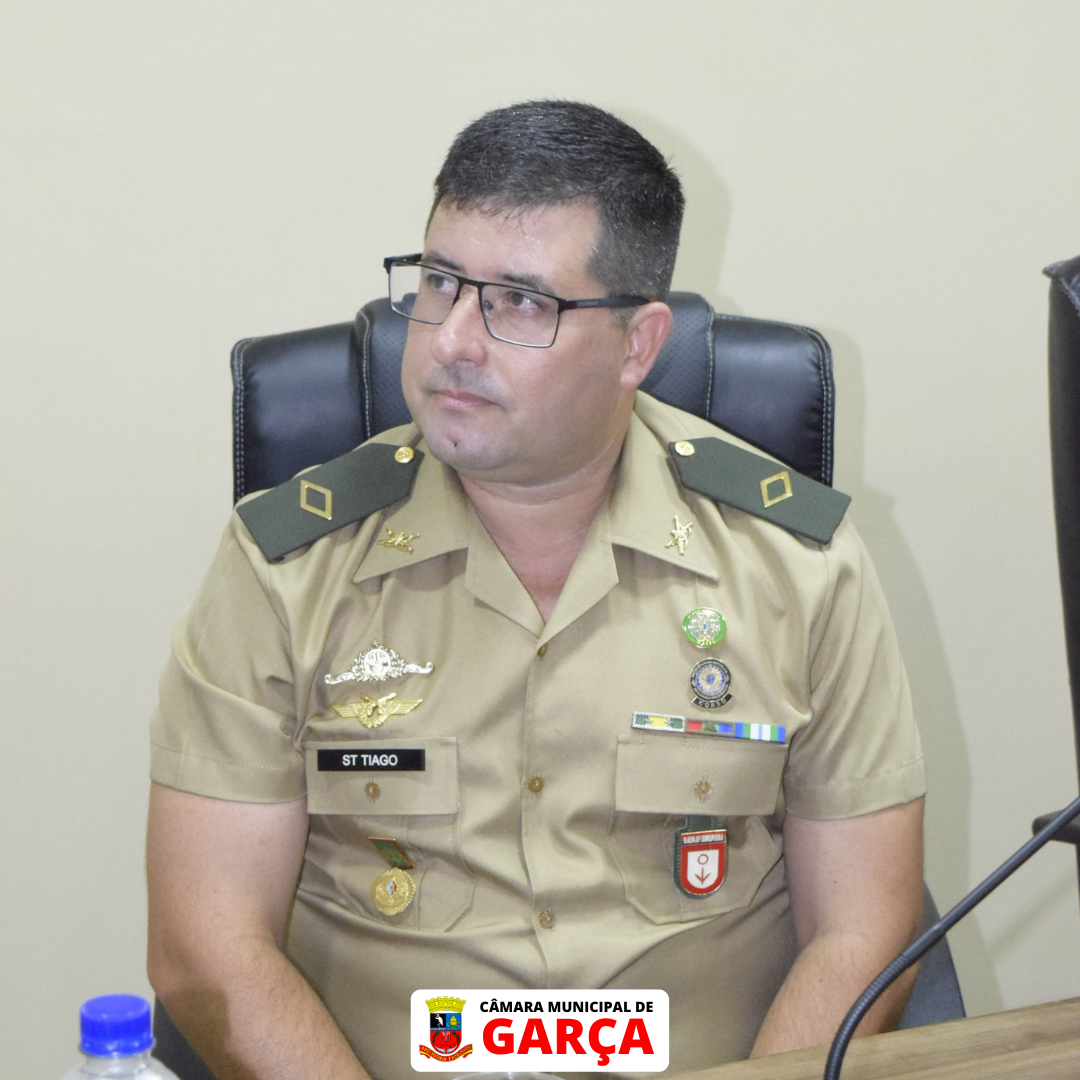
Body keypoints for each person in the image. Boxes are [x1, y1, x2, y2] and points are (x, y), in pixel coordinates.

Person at [146, 100, 925, 1080]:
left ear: (637, 345)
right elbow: (205, 944)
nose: (451, 341)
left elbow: (862, 930)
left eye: (519, 301)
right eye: (439, 282)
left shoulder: (799, 564)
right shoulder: (287, 566)